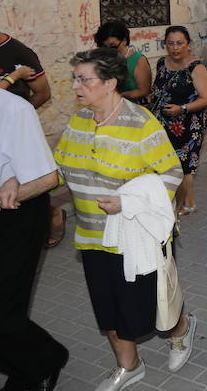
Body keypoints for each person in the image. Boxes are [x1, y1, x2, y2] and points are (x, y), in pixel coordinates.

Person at [53, 48, 194, 391]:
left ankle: (181, 328)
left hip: (137, 235)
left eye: (83, 79)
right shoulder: (79, 121)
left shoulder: (140, 123)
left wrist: (128, 201)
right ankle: (129, 365)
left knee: (147, 306)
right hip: (91, 235)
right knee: (109, 309)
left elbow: (173, 174)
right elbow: (57, 169)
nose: (75, 87)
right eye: (75, 78)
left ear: (111, 82)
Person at [0, 37, 68, 391]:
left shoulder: (12, 110)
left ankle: (42, 363)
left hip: (10, 219)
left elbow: (47, 177)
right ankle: (25, 365)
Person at [0, 5, 65, 248]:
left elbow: (43, 93)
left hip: (10, 126)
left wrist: (14, 119)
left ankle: (54, 214)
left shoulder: (19, 54)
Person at [149, 26, 207, 216]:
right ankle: (189, 202)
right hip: (163, 122)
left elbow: (206, 98)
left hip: (188, 124)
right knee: (169, 163)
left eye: (179, 43)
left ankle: (179, 208)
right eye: (170, 43)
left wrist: (182, 108)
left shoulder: (196, 67)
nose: (175, 48)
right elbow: (157, 90)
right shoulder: (162, 63)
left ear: (188, 45)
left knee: (184, 166)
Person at [94, 21, 153, 105]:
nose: (109, 50)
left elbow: (144, 90)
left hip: (134, 108)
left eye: (113, 46)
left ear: (124, 40)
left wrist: (121, 95)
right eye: (105, 47)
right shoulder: (104, 60)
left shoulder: (138, 60)